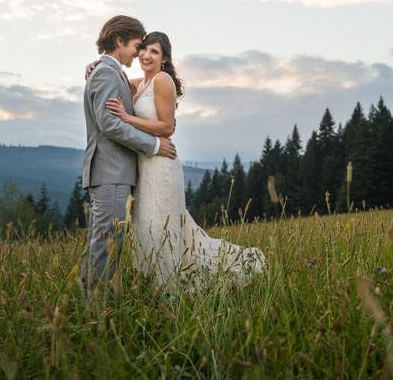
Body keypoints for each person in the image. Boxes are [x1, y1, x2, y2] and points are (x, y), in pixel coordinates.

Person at [90, 31, 267, 294]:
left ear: (164, 59)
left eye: (154, 52)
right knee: (146, 231)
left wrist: (127, 119)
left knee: (159, 229)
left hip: (161, 166)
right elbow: (117, 76)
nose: (146, 55)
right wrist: (96, 65)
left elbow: (167, 126)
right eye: (144, 49)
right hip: (144, 168)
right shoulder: (142, 84)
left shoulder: (163, 80)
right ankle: (154, 285)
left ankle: (171, 288)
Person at [77, 16, 178, 295]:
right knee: (105, 244)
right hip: (111, 172)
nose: (140, 52)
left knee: (107, 242)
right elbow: (110, 124)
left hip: (118, 172)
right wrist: (155, 145)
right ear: (119, 41)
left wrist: (96, 63)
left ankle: (94, 303)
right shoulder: (108, 73)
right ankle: (92, 308)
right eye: (137, 45)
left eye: (149, 49)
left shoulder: (115, 72)